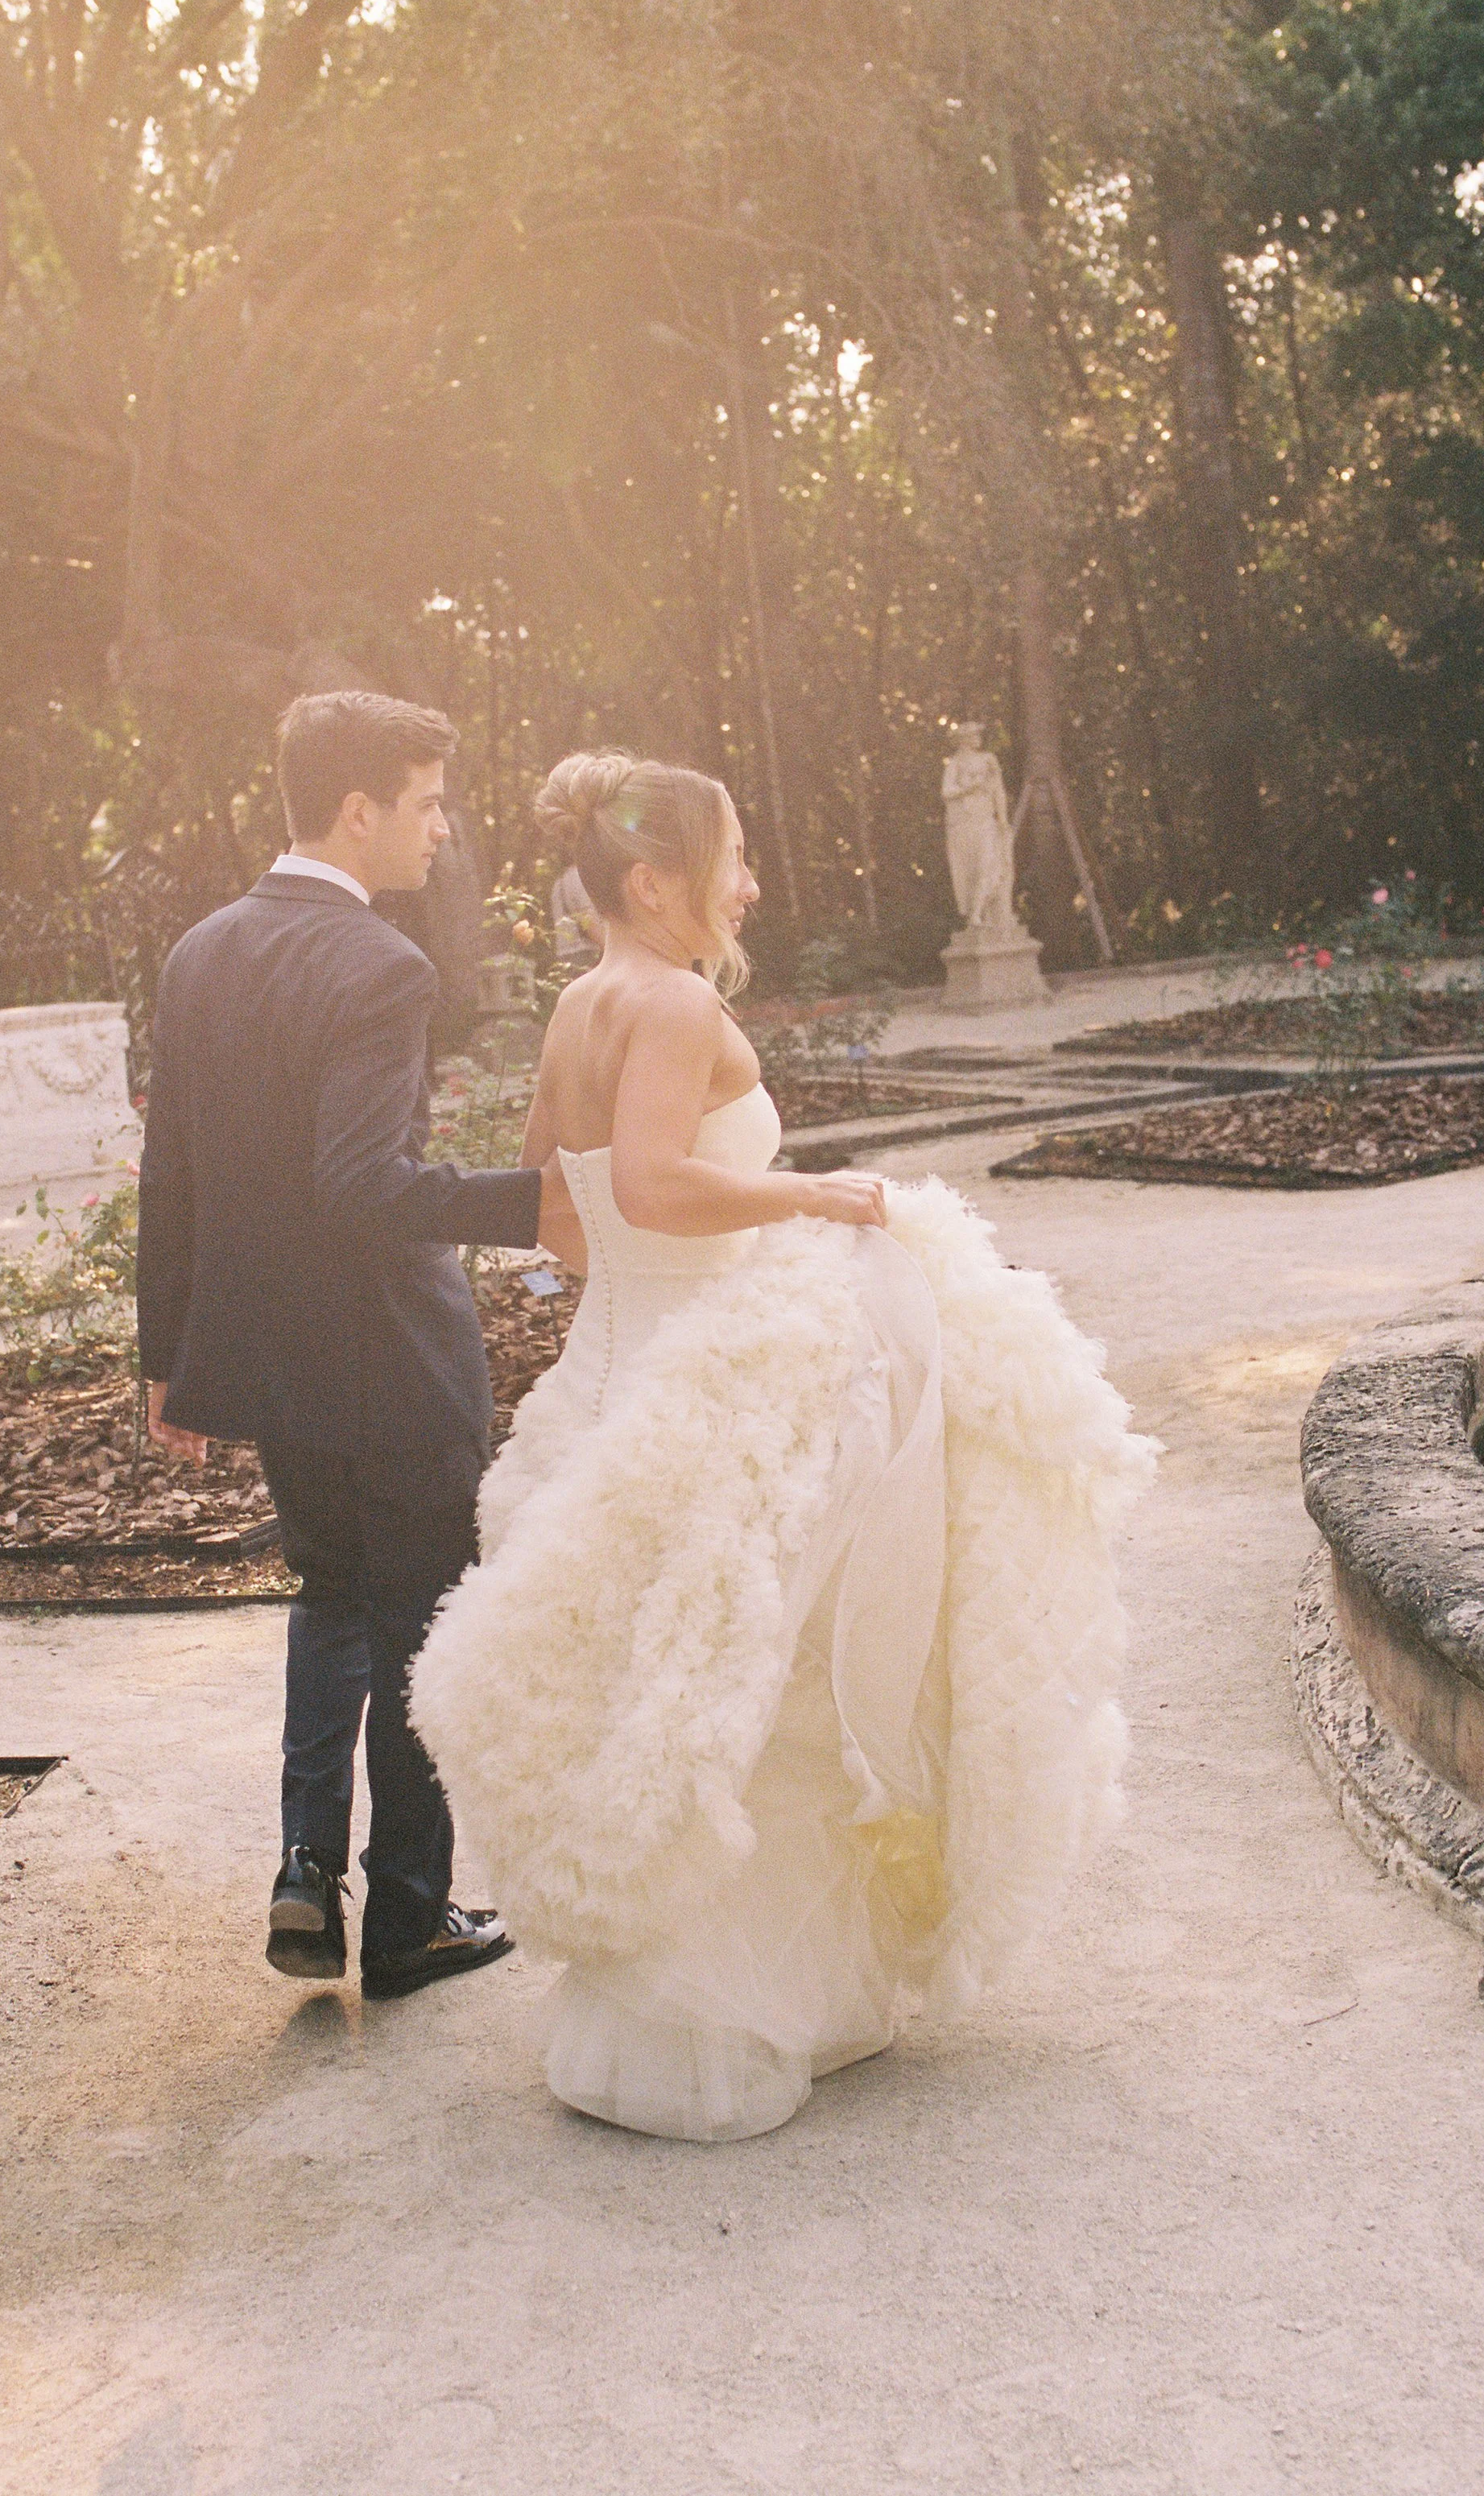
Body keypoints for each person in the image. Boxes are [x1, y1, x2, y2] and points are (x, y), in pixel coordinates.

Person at [410, 753, 1154, 2140]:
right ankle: (747, 2010)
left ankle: (665, 2013)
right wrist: (812, 1195)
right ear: (652, 879)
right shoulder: (675, 999)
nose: (747, 885)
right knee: (767, 1688)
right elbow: (645, 1183)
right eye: (732, 859)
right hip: (707, 1370)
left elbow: (566, 1216)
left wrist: (655, 1270)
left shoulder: (578, 1004)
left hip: (607, 1371)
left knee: (664, 1689)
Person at [135, 691, 581, 2000]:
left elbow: (175, 1176)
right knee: (425, 1621)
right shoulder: (382, 967)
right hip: (392, 1359)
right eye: (430, 803)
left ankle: (299, 1869)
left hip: (272, 1363)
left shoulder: (201, 951)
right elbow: (364, 1187)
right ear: (357, 810)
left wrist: (171, 1356)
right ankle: (407, 1918)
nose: (442, 831)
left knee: (331, 1598)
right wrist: (543, 1203)